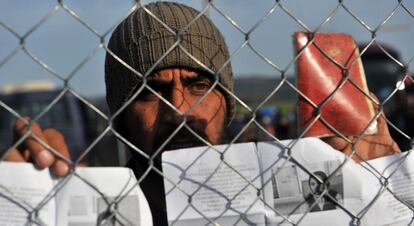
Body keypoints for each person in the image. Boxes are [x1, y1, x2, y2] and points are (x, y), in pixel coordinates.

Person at [3, 1, 400, 225]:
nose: (179, 111)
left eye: (199, 85)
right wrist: (26, 193)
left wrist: (386, 194)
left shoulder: (282, 201)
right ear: (121, 113)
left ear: (226, 101)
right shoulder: (92, 208)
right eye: (151, 91)